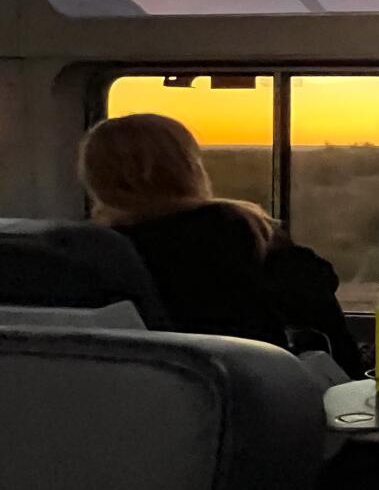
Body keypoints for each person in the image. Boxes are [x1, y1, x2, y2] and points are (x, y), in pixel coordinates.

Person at [79, 113, 362, 377]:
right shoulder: (243, 230)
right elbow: (319, 308)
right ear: (188, 167)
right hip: (253, 398)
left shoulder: (89, 252)